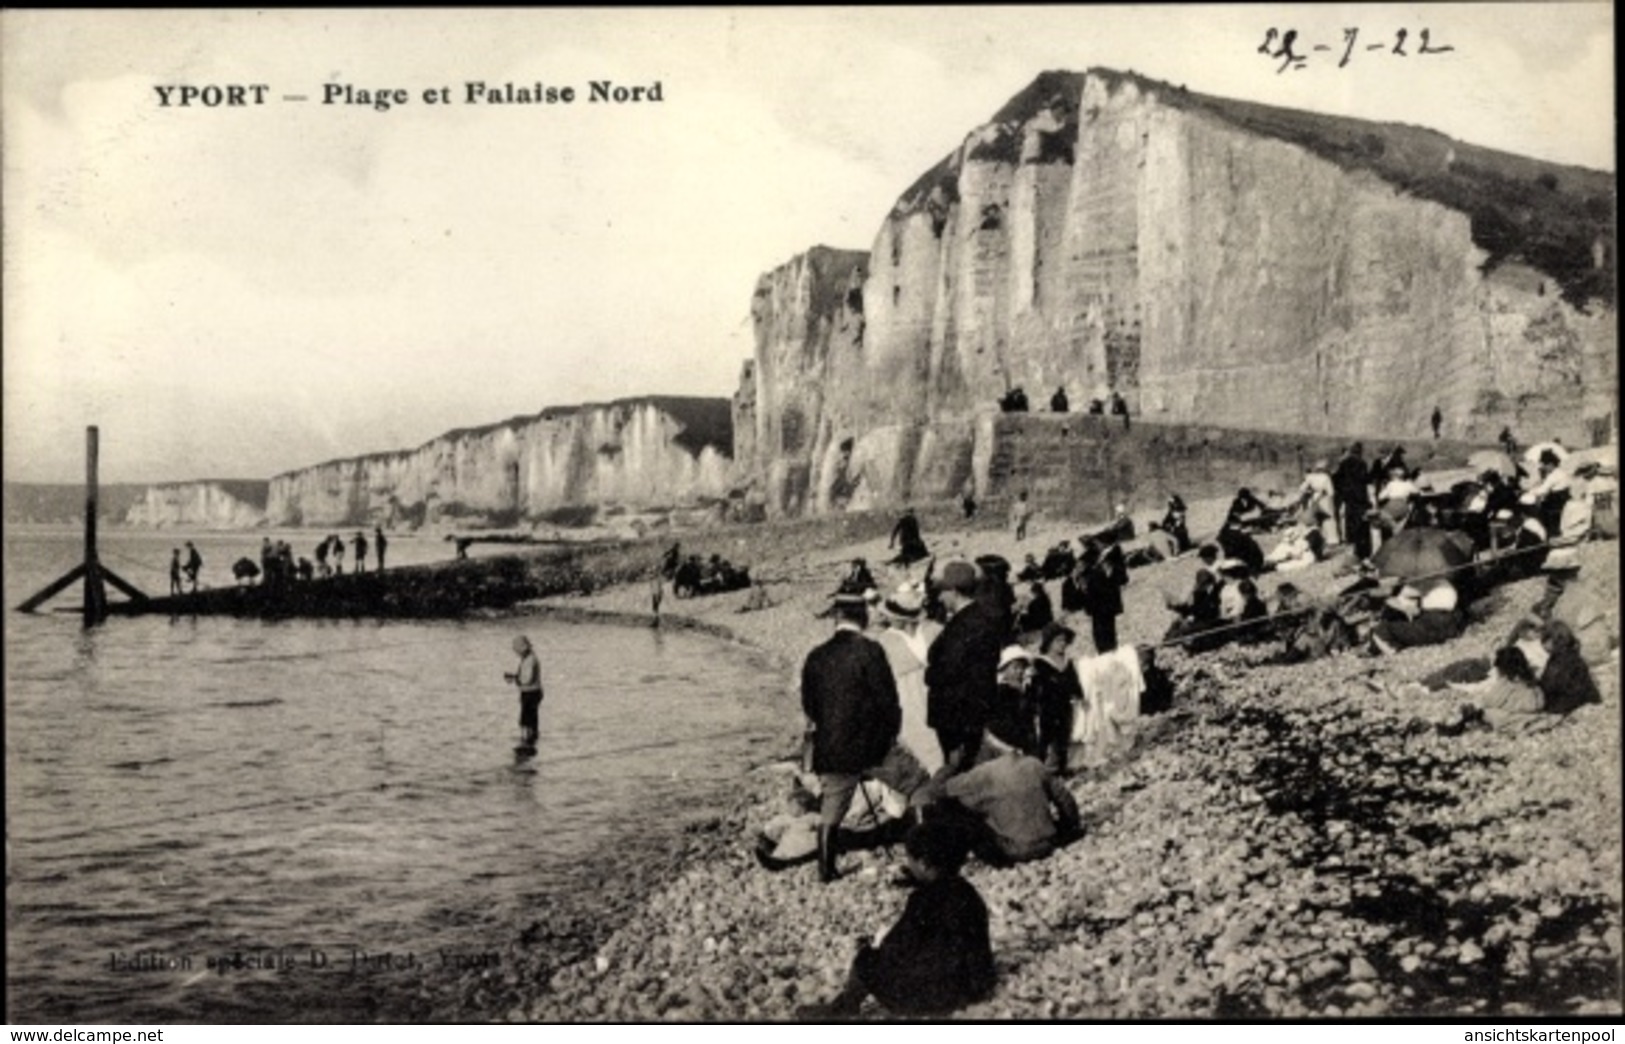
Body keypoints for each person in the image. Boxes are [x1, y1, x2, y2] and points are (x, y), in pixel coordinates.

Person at [795, 821, 994, 1019]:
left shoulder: (923, 899)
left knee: (866, 960)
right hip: (973, 987)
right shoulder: (969, 893)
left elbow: (897, 946)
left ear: (924, 864)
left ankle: (844, 1008)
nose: (909, 865)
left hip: (937, 996)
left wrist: (873, 952)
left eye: (911, 859)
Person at [801, 593, 916, 883]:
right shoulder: (870, 650)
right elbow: (888, 700)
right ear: (862, 617)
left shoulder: (816, 655)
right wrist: (890, 735)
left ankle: (826, 869)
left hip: (833, 748)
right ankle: (923, 852)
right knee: (918, 786)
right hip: (872, 746)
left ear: (837, 618)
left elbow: (810, 706)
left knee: (832, 810)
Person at [930, 744, 1082, 866]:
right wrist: (1069, 829)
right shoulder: (1033, 763)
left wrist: (951, 765)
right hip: (1048, 843)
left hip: (1013, 852)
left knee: (947, 804)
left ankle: (949, 858)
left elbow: (935, 790)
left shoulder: (980, 775)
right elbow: (1065, 799)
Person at [924, 561, 1004, 775]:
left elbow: (947, 670)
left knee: (961, 774)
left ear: (954, 591)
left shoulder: (963, 626)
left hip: (957, 717)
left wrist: (930, 674)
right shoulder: (981, 618)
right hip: (972, 712)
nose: (940, 598)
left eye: (942, 592)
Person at [875, 582, 944, 774]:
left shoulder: (934, 631)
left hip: (939, 695)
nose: (888, 618)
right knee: (922, 750)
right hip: (908, 701)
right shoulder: (884, 642)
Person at [1029, 623, 1083, 774]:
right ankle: (1037, 769)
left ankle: (1062, 767)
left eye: (1064, 641)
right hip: (1047, 706)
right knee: (1045, 738)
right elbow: (1035, 686)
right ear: (1049, 642)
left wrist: (1079, 694)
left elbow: (1074, 681)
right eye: (1058, 641)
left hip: (1064, 705)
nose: (1063, 644)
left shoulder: (1067, 662)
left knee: (1063, 736)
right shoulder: (1041, 664)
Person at [986, 646, 1041, 756]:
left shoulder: (1025, 692)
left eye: (1022, 668)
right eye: (1015, 668)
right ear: (1004, 671)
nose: (1019, 672)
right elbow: (996, 725)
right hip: (1007, 748)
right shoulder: (1000, 693)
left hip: (1027, 747)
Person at [1333, 443, 1374, 560]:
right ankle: (1364, 549)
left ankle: (1353, 543)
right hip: (1361, 497)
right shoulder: (1362, 464)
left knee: (1350, 520)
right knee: (1362, 521)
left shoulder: (1344, 464)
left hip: (1349, 497)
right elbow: (1366, 479)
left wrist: (1343, 491)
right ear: (1360, 451)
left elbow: (1336, 479)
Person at [506, 635, 545, 754]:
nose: (517, 653)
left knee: (526, 719)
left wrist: (515, 679)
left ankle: (527, 744)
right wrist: (516, 677)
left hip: (530, 693)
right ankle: (530, 742)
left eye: (517, 650)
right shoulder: (530, 658)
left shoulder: (530, 660)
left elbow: (527, 680)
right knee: (530, 718)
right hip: (533, 692)